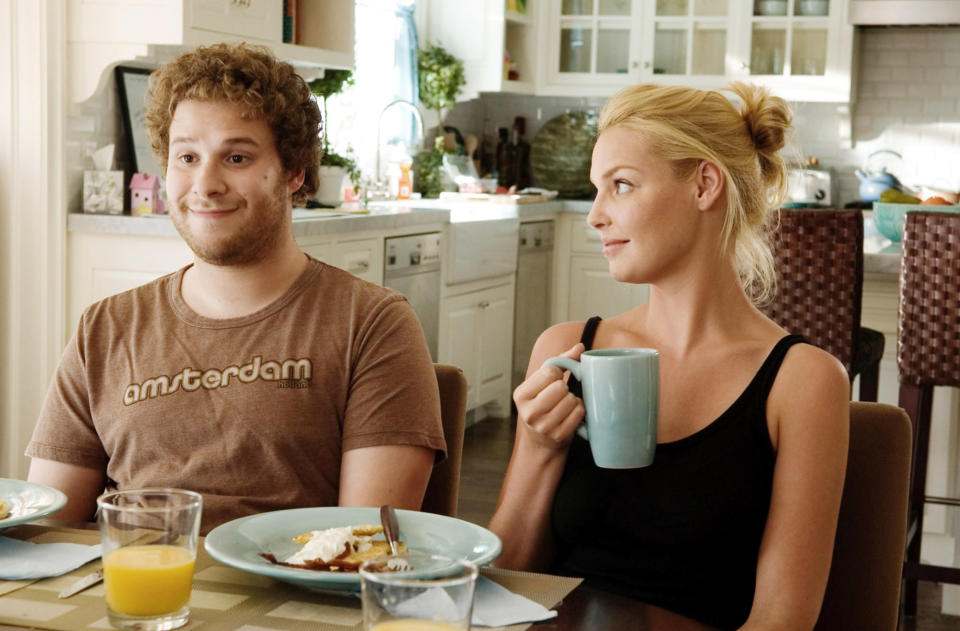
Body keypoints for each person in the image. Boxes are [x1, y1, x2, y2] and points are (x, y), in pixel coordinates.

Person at [26, 43, 445, 533]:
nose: (205, 183)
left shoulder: (372, 323)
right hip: (131, 596)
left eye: (237, 157)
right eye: (186, 156)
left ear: (294, 171)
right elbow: (47, 531)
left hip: (291, 599)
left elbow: (362, 548)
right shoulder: (106, 327)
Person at [488, 82, 849, 631]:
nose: (595, 217)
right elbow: (505, 589)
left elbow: (782, 620)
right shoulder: (566, 349)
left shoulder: (801, 382)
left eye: (622, 186)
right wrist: (539, 448)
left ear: (704, 184)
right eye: (596, 190)